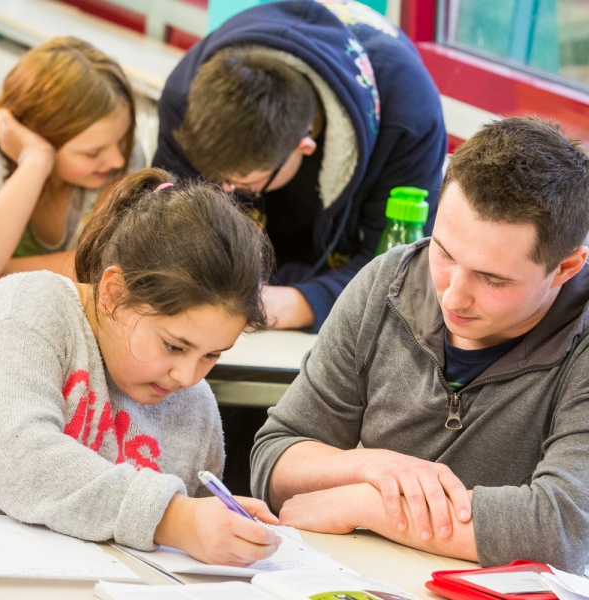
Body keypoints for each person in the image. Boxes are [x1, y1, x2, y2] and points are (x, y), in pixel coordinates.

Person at [0, 168, 281, 597]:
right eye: (174, 346)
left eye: (212, 355)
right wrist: (173, 518)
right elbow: (18, 461)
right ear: (113, 292)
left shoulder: (194, 403)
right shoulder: (23, 312)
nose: (188, 376)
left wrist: (212, 525)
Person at [250, 117, 589, 573]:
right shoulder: (386, 281)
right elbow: (275, 459)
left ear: (566, 267)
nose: (453, 295)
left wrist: (370, 505)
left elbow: (565, 530)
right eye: (445, 253)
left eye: (493, 279)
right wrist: (377, 468)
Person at [153, 0, 447, 332]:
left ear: (304, 146)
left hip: (332, 271)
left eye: (242, 184)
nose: (226, 194)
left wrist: (297, 303)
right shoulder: (185, 95)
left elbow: (399, 272)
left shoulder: (409, 118)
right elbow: (164, 224)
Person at [0, 37, 145, 294]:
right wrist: (35, 160)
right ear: (39, 133)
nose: (118, 160)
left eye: (121, 142)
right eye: (91, 153)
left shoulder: (120, 158)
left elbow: (111, 265)